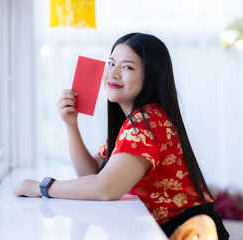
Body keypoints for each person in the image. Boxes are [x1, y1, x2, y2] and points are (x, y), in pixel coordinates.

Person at [14, 32, 229, 239]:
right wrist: (71, 125)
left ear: (151, 76)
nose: (113, 73)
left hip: (188, 233)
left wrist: (40, 187)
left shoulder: (148, 122)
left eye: (127, 67)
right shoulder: (136, 120)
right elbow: (92, 173)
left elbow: (105, 188)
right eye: (111, 63)